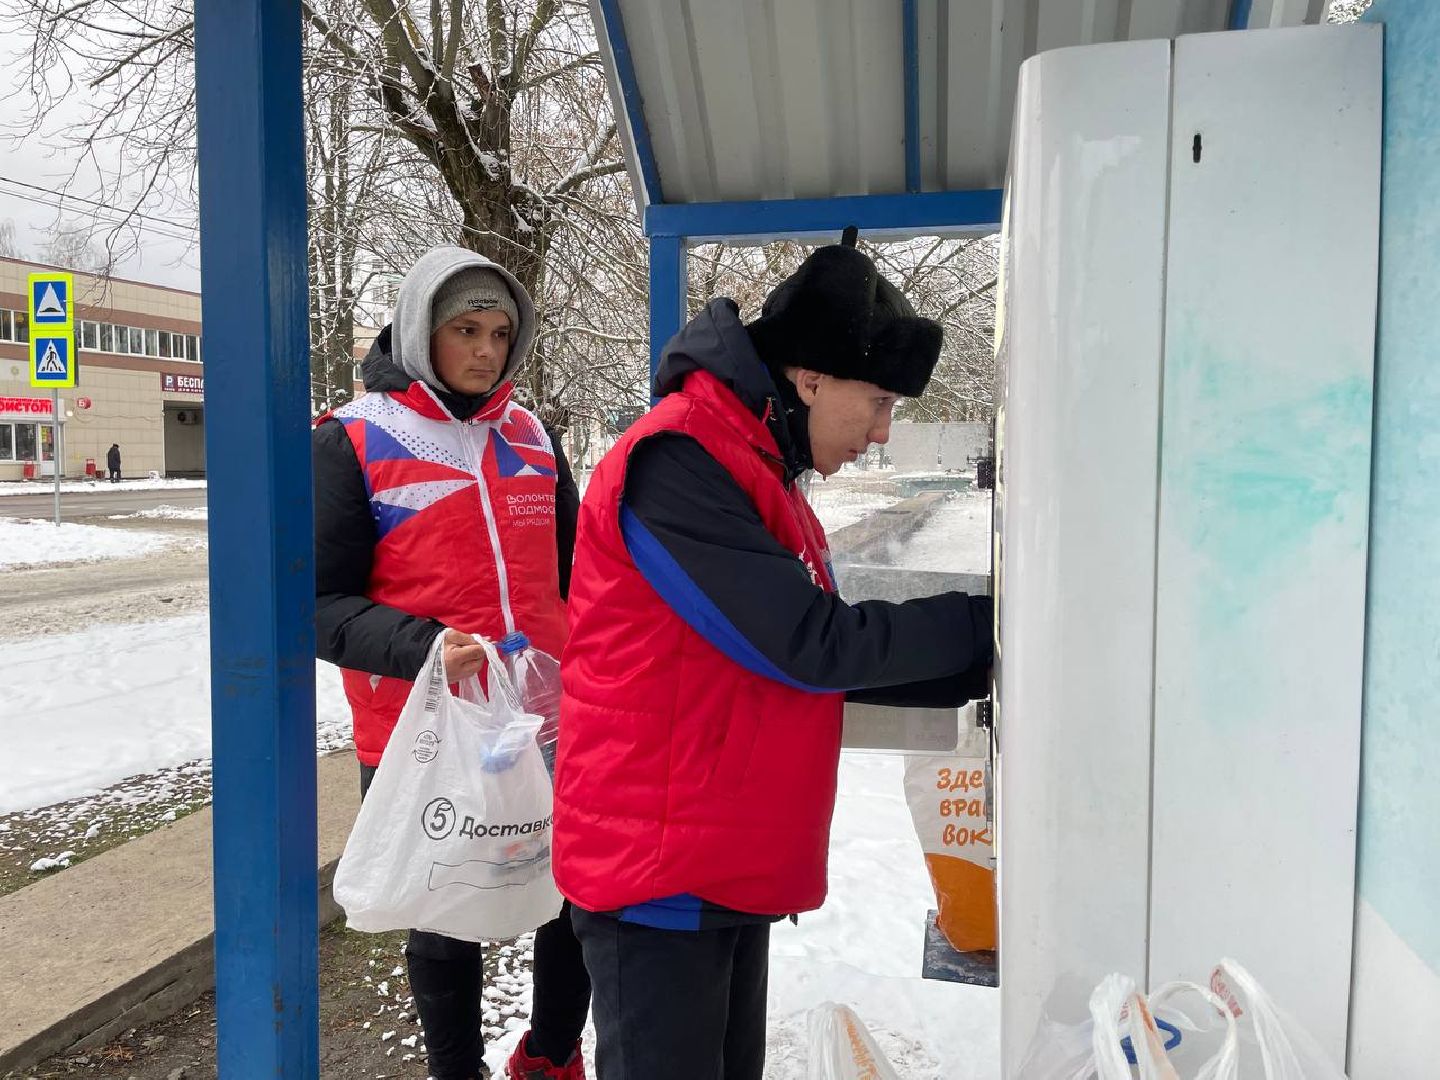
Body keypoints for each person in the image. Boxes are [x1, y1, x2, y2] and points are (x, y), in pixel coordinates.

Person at [552, 230, 994, 1080]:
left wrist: (982, 665)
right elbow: (808, 644)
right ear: (811, 375)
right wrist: (986, 627)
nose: (880, 433)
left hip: (720, 862)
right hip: (659, 874)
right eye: (879, 403)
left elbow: (794, 651)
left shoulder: (755, 466)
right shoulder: (677, 460)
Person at [313, 246, 591, 1080]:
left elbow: (582, 573)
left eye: (501, 333)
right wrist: (426, 647)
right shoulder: (353, 439)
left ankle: (550, 1055)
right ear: (418, 330)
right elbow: (317, 605)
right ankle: (454, 1072)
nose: (485, 352)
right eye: (464, 330)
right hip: (422, 728)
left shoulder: (533, 437)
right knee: (442, 912)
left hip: (548, 714)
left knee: (573, 893)